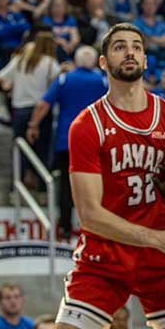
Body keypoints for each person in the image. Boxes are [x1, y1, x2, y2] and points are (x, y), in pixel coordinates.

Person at [54, 24, 165, 329]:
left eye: (136, 46)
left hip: (164, 257)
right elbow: (89, 216)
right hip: (106, 254)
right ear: (103, 62)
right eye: (120, 47)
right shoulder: (87, 125)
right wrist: (157, 238)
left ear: (146, 60)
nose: (130, 52)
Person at [27, 46, 107, 238]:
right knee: (97, 186)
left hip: (67, 141)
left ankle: (64, 228)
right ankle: (96, 228)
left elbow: (43, 104)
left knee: (66, 185)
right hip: (97, 142)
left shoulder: (64, 79)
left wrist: (33, 125)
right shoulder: (103, 81)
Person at [0, 30, 61, 181]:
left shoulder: (19, 60)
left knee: (20, 150)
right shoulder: (50, 62)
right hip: (41, 110)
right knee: (42, 151)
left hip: (20, 110)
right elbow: (55, 85)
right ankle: (42, 189)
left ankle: (16, 187)